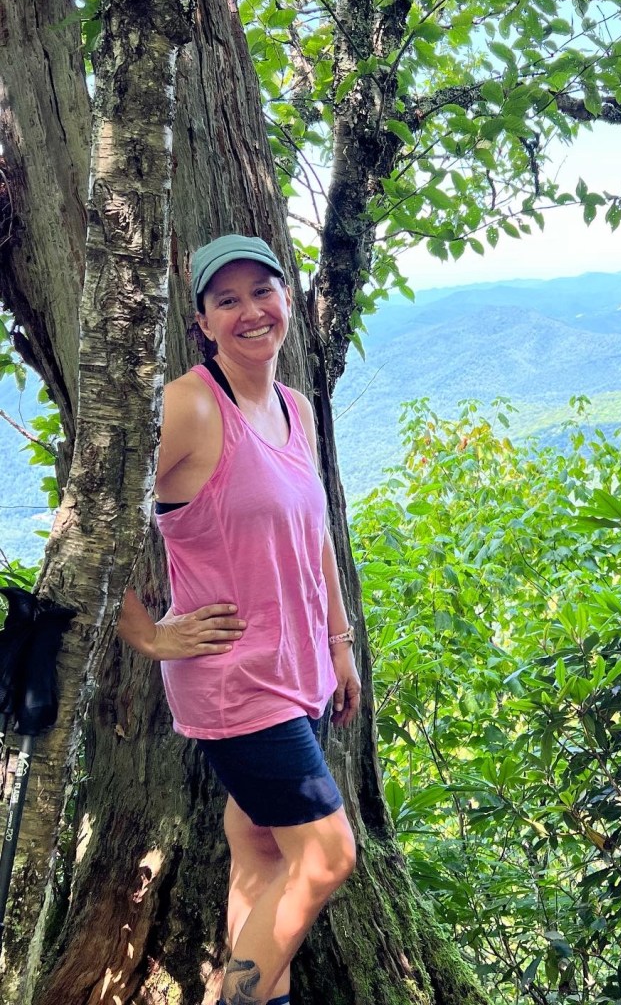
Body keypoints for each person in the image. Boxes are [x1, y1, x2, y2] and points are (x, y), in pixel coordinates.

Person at [117, 234, 360, 1005]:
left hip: (301, 671)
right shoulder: (189, 406)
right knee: (326, 857)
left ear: (287, 300)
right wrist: (146, 633)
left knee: (261, 849)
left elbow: (313, 533)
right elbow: (93, 513)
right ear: (203, 322)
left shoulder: (295, 409)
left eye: (263, 291)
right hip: (237, 684)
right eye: (227, 299)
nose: (251, 310)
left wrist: (339, 643)